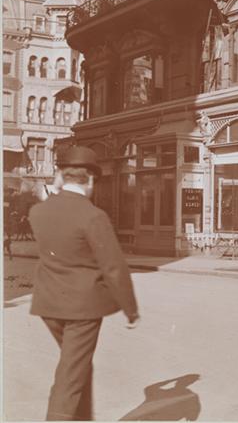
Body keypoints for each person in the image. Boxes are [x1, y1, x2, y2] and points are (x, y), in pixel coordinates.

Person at [28, 146, 139, 421]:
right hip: (82, 310)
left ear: (62, 176)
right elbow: (114, 267)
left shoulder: (38, 212)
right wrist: (131, 309)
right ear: (90, 179)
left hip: (48, 305)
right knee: (71, 374)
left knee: (77, 365)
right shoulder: (93, 216)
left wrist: (57, 184)